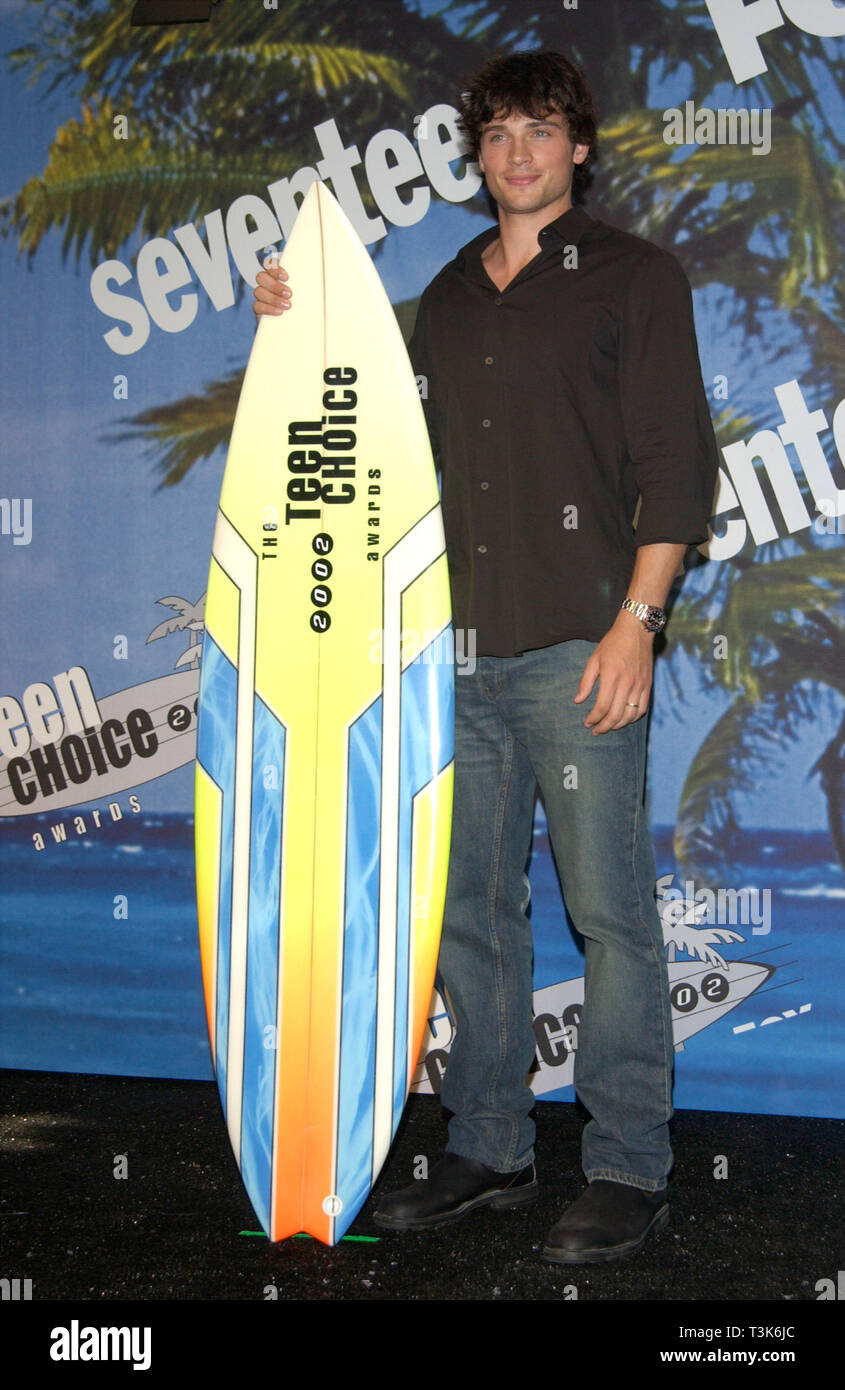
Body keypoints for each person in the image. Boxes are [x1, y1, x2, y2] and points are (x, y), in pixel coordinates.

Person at [254, 49, 719, 1263]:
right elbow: (376, 454)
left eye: (541, 129)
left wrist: (638, 622)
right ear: (477, 151)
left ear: (577, 147)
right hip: (448, 663)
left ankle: (624, 1165)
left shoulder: (635, 277)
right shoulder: (449, 294)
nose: (517, 150)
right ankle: (490, 1146)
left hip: (582, 650)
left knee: (609, 918)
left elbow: (678, 465)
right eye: (498, 130)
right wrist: (294, 331)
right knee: (468, 910)